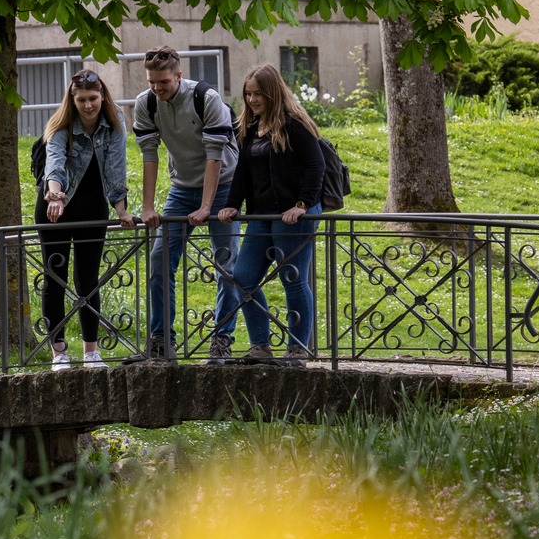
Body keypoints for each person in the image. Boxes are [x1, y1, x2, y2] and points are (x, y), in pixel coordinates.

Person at [132, 47, 239, 361]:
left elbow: (214, 156)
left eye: (163, 81)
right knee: (159, 261)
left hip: (222, 185)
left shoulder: (206, 99)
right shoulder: (146, 103)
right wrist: (148, 207)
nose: (157, 88)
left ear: (179, 76)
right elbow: (149, 155)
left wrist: (207, 207)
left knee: (226, 265)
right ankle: (161, 339)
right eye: (152, 81)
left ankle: (222, 340)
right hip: (181, 188)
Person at [214, 63, 325, 360]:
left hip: (294, 214)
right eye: (248, 94)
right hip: (261, 216)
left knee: (293, 278)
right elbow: (242, 173)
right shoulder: (249, 128)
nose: (252, 100)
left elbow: (317, 167)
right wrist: (232, 205)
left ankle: (297, 349)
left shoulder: (294, 124)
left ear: (273, 93)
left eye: (258, 94)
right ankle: (260, 345)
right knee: (242, 278)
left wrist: (301, 205)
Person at [38, 69, 132, 368]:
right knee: (56, 277)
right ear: (73, 100)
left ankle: (91, 351)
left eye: (93, 98)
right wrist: (55, 195)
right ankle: (59, 351)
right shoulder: (61, 124)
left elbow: (116, 166)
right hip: (57, 205)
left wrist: (121, 209)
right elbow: (54, 163)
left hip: (93, 206)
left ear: (102, 96)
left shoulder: (115, 121)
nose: (88, 105)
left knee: (88, 279)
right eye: (81, 100)